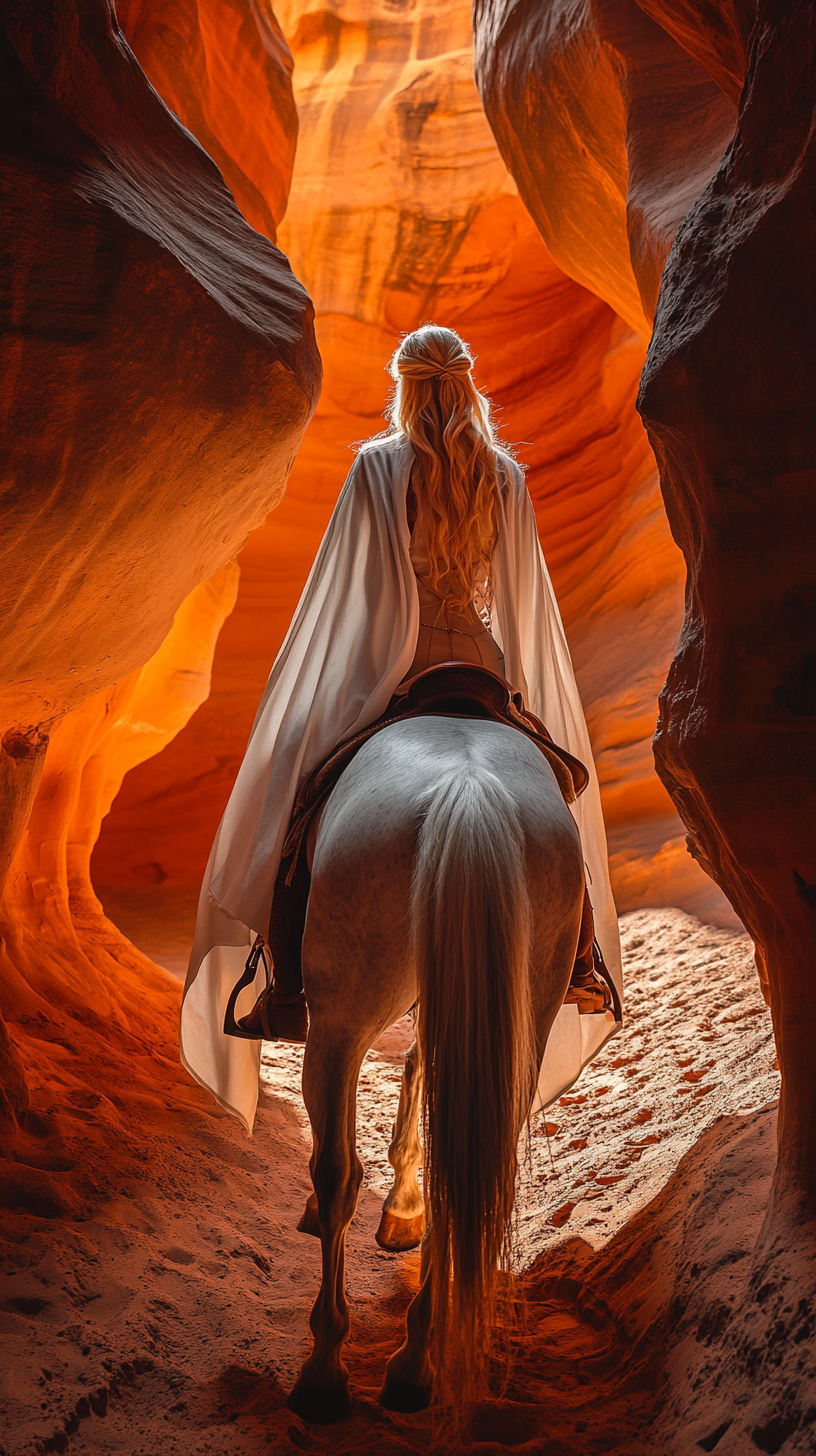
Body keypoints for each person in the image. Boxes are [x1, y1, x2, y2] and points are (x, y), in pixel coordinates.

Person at [181, 325, 622, 1134]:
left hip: (398, 665)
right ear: (467, 383)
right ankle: (580, 959)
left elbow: (347, 595)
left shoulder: (375, 468)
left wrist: (331, 686)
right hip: (482, 664)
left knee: (298, 789)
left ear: (404, 385)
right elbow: (523, 605)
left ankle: (281, 981)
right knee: (551, 789)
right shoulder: (504, 474)